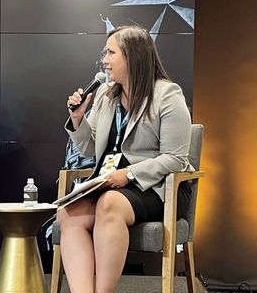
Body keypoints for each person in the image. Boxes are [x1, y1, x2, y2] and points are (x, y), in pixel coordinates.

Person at [59, 25, 193, 293]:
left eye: (110, 52)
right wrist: (78, 118)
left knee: (109, 204)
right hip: (109, 182)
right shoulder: (106, 97)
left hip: (157, 187)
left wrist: (129, 174)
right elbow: (87, 148)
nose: (104, 60)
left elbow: (175, 158)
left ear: (133, 56)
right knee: (68, 214)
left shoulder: (167, 95)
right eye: (104, 53)